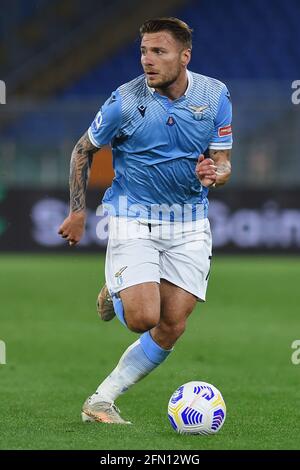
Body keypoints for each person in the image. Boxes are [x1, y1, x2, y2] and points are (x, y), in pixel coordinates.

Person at [58, 17, 232, 424]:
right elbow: (83, 150)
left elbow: (223, 163)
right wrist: (78, 210)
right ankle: (122, 291)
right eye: (143, 51)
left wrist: (216, 174)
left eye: (159, 52)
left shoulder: (216, 95)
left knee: (171, 326)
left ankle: (101, 400)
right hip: (133, 216)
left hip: (189, 222)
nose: (148, 61)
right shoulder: (124, 101)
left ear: (184, 56)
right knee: (142, 318)